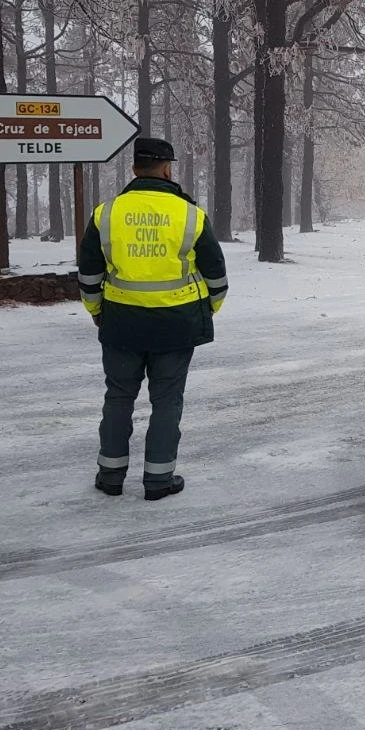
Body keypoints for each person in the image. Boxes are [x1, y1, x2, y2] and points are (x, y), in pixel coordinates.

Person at [77, 137, 227, 500]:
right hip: (176, 325)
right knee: (167, 401)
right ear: (167, 168)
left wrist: (97, 312)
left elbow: (88, 275)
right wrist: (206, 310)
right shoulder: (190, 214)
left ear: (134, 169)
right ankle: (159, 481)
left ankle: (110, 477)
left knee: (118, 398)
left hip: (121, 323)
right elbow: (217, 277)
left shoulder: (106, 213)